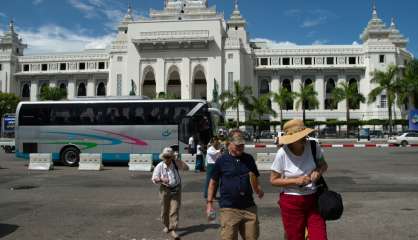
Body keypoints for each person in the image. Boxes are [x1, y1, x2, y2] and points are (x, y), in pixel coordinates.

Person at [270, 119, 328, 240]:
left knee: (320, 236)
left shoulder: (313, 146)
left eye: (304, 135)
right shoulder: (282, 153)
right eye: (300, 136)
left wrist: (318, 171)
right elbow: (273, 180)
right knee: (295, 237)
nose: (305, 138)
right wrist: (295, 181)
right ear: (291, 140)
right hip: (291, 201)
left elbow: (324, 165)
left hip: (314, 199)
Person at [206, 129, 264, 240]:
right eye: (238, 145)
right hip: (229, 209)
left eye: (242, 145)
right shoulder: (221, 160)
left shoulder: (249, 159)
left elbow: (255, 176)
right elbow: (213, 183)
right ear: (229, 143)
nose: (241, 148)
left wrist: (259, 189)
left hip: (249, 208)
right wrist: (209, 204)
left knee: (252, 237)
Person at [151, 147, 189, 239]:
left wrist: (178, 160)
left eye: (169, 157)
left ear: (172, 157)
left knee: (174, 210)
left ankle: (173, 229)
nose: (167, 159)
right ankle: (166, 225)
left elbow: (186, 168)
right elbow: (154, 178)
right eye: (166, 157)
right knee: (165, 210)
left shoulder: (175, 163)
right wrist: (161, 179)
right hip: (165, 190)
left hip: (176, 189)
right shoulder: (160, 166)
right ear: (163, 157)